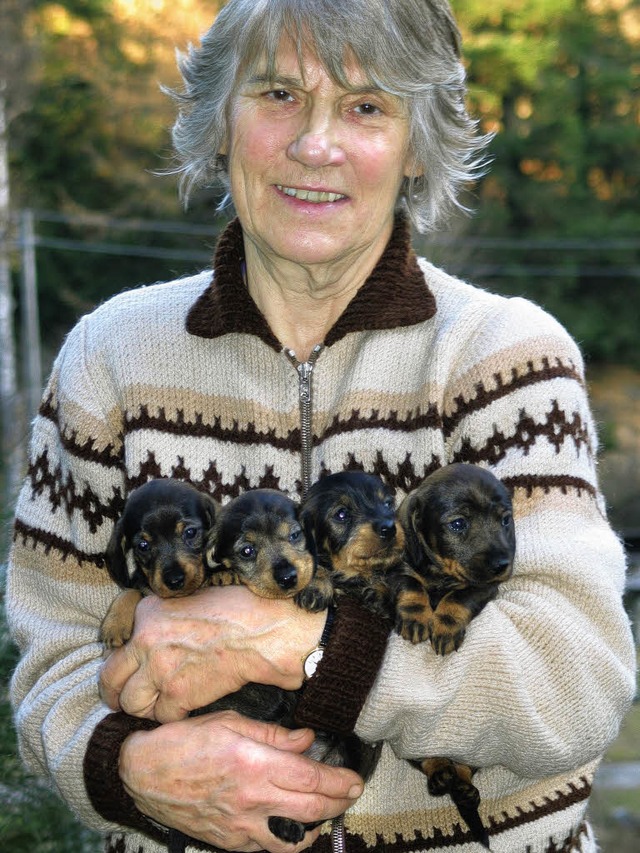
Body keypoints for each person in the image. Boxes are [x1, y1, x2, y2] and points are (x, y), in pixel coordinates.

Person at [7, 1, 636, 852]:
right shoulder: (108, 357)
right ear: (218, 124)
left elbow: (577, 684)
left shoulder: (507, 357)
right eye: (277, 94)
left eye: (367, 106)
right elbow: (51, 662)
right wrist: (125, 767)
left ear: (418, 145)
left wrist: (301, 644)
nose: (315, 143)